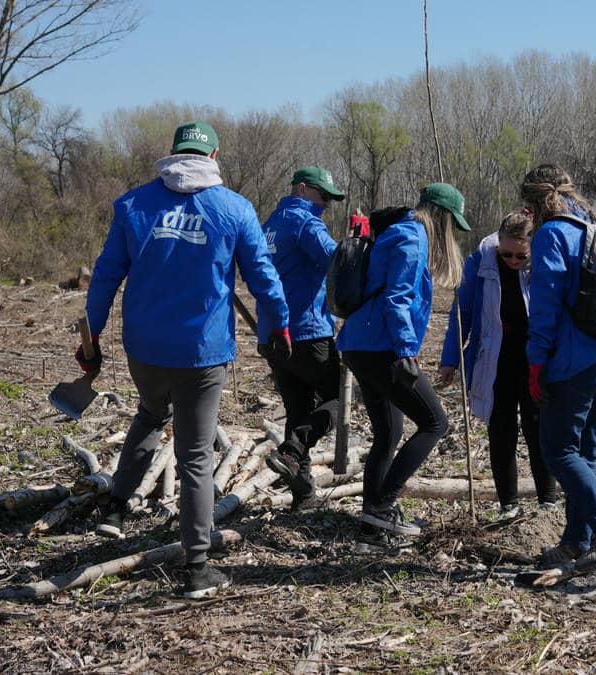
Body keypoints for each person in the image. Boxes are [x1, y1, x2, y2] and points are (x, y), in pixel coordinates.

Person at [83, 121, 290, 598]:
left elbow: (104, 276)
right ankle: (196, 568)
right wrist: (277, 325)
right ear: (214, 154)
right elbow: (263, 277)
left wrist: (91, 334)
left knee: (151, 413)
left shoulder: (133, 205)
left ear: (173, 152)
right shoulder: (234, 208)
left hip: (146, 350)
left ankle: (115, 508)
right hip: (202, 353)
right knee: (196, 456)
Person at [336, 183, 469, 553]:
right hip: (381, 347)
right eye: (452, 224)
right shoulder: (413, 238)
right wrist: (405, 351)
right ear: (441, 217)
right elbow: (397, 298)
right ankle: (384, 506)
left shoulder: (397, 233)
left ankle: (370, 532)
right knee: (434, 423)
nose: (452, 233)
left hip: (359, 344)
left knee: (389, 432)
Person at [519, 163, 596, 572]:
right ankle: (575, 542)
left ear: (534, 203)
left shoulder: (553, 234)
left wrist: (535, 363)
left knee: (558, 452)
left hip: (576, 364)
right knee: (584, 454)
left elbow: (545, 308)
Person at [438, 210, 558, 520]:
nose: (514, 261)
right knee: (501, 431)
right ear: (498, 245)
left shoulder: (542, 262)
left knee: (539, 430)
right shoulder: (479, 262)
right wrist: (450, 359)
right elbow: (460, 314)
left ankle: (548, 501)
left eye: (521, 256)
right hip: (494, 359)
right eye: (507, 254)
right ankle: (509, 505)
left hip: (535, 361)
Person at [256, 166, 346, 511]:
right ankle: (292, 451)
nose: (326, 204)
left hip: (273, 335)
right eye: (323, 196)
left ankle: (304, 496)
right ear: (304, 189)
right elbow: (337, 261)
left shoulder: (269, 225)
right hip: (308, 331)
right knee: (338, 398)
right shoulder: (305, 222)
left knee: (298, 409)